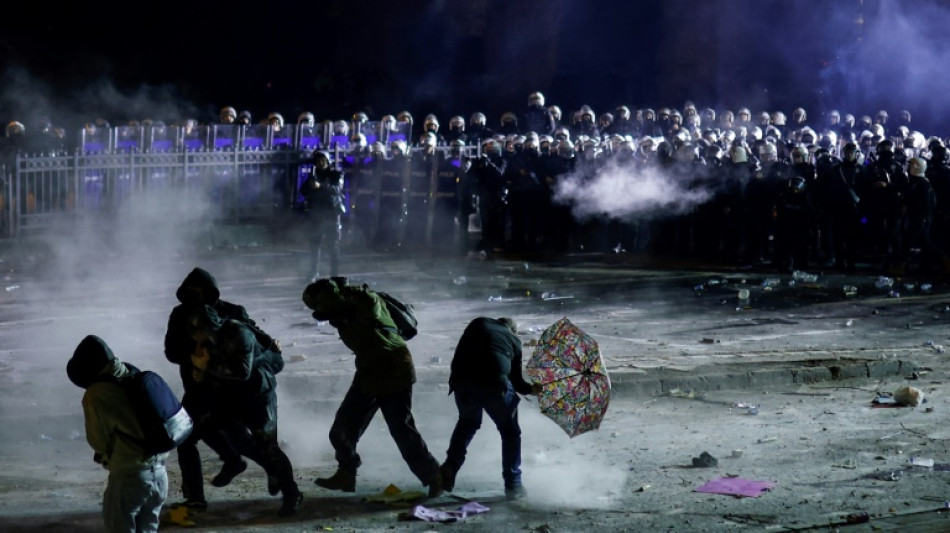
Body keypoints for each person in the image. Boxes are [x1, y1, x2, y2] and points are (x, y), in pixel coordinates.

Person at [302, 277, 444, 497]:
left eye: (319, 304)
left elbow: (370, 306)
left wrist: (345, 290)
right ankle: (346, 474)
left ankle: (435, 476)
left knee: (401, 430)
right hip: (368, 371)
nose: (319, 311)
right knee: (340, 430)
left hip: (394, 368)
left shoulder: (366, 302)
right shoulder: (341, 315)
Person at [164, 267, 281, 511]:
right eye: (191, 293)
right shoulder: (179, 315)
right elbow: (171, 352)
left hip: (229, 388)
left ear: (211, 292)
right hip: (198, 386)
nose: (196, 298)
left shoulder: (232, 312)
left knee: (237, 437)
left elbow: (258, 339)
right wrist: (194, 356)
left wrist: (271, 348)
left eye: (201, 292)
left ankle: (273, 468)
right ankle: (195, 496)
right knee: (185, 437)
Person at [186, 305, 303, 516]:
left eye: (198, 331)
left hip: (258, 395)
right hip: (233, 396)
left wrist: (207, 367)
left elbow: (242, 371)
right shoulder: (207, 341)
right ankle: (250, 465)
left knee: (268, 446)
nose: (196, 336)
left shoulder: (238, 333)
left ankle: (292, 493)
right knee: (229, 437)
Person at [67, 335, 169, 533]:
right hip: (159, 474)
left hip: (130, 477)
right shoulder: (132, 374)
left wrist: (105, 454)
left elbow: (99, 441)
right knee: (148, 528)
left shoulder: (98, 393)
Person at [439, 317, 541, 501]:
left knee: (467, 423)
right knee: (510, 432)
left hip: (461, 381)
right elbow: (516, 381)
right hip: (494, 385)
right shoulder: (514, 340)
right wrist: (532, 389)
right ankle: (513, 484)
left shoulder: (478, 323)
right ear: (513, 330)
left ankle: (450, 468)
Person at [301, 151, 344, 280]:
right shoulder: (313, 175)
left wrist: (321, 186)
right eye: (318, 160)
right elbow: (303, 191)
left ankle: (334, 274)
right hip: (317, 213)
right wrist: (311, 185)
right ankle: (314, 272)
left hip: (331, 213)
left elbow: (336, 189)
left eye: (322, 160)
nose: (320, 163)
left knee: (333, 245)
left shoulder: (336, 174)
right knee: (315, 244)